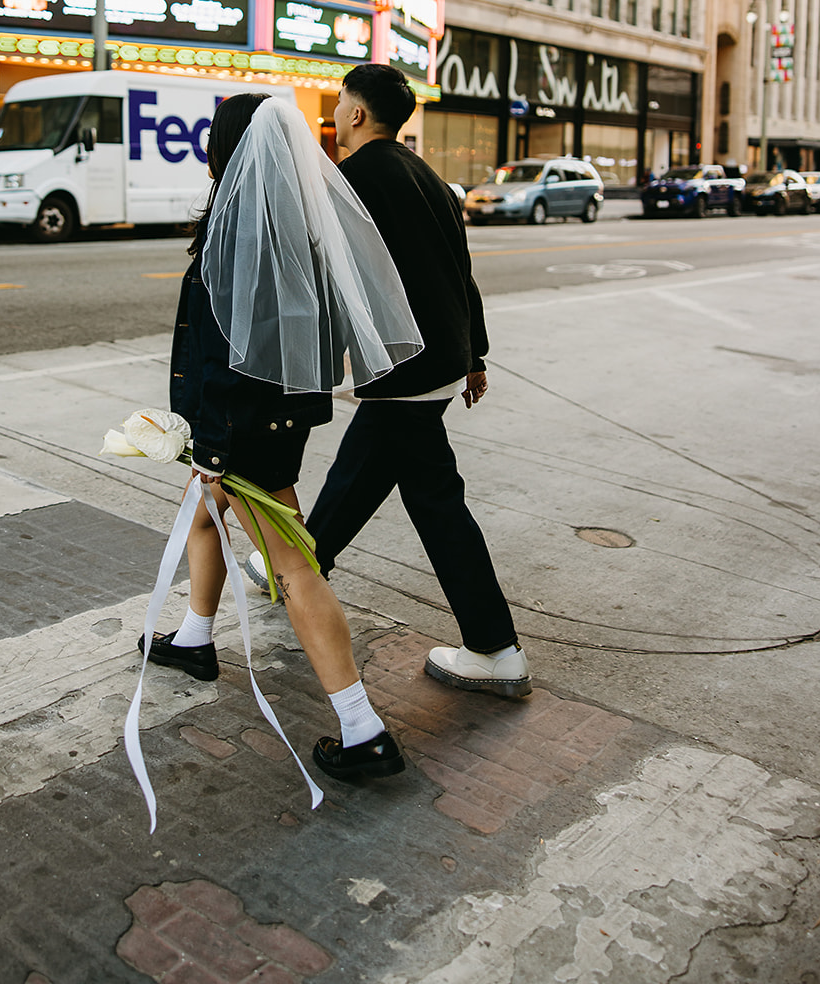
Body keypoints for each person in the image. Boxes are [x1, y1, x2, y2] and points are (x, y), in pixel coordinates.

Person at [143, 92, 423, 781]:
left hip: (237, 426)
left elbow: (221, 354)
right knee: (206, 519)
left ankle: (362, 727)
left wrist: (210, 448)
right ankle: (194, 636)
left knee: (294, 569)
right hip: (276, 418)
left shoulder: (238, 230)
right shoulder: (295, 224)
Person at [251, 63, 530, 698]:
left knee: (435, 500)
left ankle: (495, 648)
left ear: (355, 113)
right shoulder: (427, 175)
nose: (336, 112)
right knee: (363, 470)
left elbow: (315, 273)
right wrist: (474, 355)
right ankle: (298, 567)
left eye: (341, 101)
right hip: (438, 359)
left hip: (402, 365)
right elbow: (462, 270)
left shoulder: (351, 180)